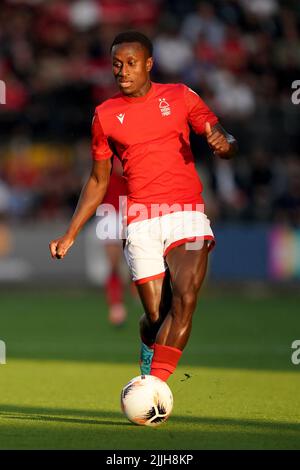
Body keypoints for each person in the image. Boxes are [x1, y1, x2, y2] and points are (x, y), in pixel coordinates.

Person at [49, 31, 237, 382]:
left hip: (187, 215)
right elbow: (97, 180)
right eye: (116, 64)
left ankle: (153, 388)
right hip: (140, 220)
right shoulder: (104, 116)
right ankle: (149, 346)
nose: (122, 71)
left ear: (149, 63)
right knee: (157, 315)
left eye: (131, 63)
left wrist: (224, 145)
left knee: (184, 300)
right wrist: (71, 232)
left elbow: (224, 137)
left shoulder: (180, 96)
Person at [99, 157, 128, 326]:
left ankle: (141, 301)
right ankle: (116, 306)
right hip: (110, 212)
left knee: (136, 264)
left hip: (131, 210)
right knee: (114, 264)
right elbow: (119, 169)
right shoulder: (109, 148)